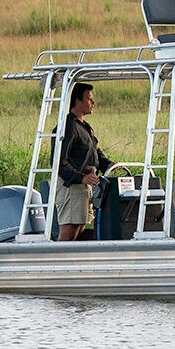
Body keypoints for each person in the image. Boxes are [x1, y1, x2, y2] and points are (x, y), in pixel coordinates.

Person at [55, 83, 113, 241]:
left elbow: (93, 151)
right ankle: (56, 263)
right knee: (69, 230)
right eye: (89, 99)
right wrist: (81, 177)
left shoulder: (85, 127)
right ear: (77, 101)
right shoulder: (68, 127)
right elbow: (59, 161)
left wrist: (108, 164)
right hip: (71, 187)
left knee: (80, 228)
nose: (92, 103)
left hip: (84, 186)